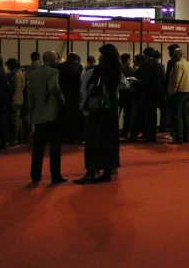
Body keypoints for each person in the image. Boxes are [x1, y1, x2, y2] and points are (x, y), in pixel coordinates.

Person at [75, 44, 124, 184]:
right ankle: (107, 171)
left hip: (98, 111)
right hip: (111, 108)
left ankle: (91, 171)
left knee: (93, 140)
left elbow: (90, 89)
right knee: (109, 141)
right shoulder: (116, 70)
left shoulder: (98, 70)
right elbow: (123, 85)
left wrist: (84, 106)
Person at [27, 51, 67, 185]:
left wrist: (32, 114)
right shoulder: (53, 72)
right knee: (55, 147)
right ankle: (55, 174)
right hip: (52, 115)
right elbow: (54, 87)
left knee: (38, 148)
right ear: (51, 59)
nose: (57, 61)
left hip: (38, 115)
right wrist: (62, 101)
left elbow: (30, 97)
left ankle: (35, 174)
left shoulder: (32, 75)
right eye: (56, 58)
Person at [136, 47, 165, 142]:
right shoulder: (159, 65)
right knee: (153, 114)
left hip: (147, 91)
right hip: (157, 92)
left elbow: (144, 79)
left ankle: (146, 133)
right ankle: (152, 134)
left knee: (145, 114)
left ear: (146, 55)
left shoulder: (146, 65)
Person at [167, 48, 189, 145]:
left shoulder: (178, 65)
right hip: (188, 92)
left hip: (178, 93)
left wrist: (171, 91)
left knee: (177, 116)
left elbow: (176, 80)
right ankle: (186, 136)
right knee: (185, 115)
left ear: (178, 55)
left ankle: (178, 137)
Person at [58, 53, 84, 144]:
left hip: (63, 95)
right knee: (75, 117)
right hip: (76, 96)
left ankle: (65, 136)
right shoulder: (79, 67)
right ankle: (75, 136)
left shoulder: (60, 68)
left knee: (64, 117)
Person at [5, 58, 25, 146]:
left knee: (14, 120)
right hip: (19, 99)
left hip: (15, 99)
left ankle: (14, 139)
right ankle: (19, 138)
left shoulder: (16, 75)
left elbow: (16, 89)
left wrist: (13, 100)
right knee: (18, 119)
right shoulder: (19, 73)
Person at [119, 53, 136, 138]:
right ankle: (125, 132)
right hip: (129, 93)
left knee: (116, 113)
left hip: (118, 93)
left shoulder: (118, 68)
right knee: (127, 114)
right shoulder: (131, 70)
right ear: (128, 59)